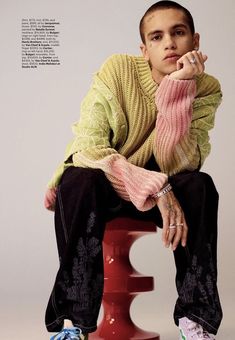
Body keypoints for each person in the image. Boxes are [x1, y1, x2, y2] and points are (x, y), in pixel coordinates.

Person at [44, 1, 223, 339]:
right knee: (79, 179)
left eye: (178, 33)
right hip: (109, 190)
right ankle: (73, 323)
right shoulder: (117, 71)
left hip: (167, 193)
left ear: (195, 42)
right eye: (157, 37)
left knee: (200, 185)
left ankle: (195, 319)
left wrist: (179, 88)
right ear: (144, 50)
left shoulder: (206, 87)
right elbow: (89, 147)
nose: (169, 43)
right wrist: (156, 189)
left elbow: (181, 163)